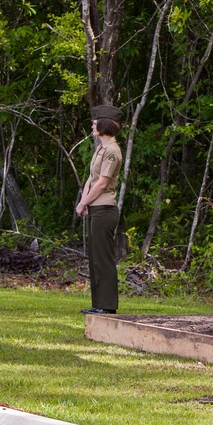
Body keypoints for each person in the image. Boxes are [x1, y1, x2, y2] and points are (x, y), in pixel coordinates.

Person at [75, 104, 123, 315]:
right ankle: (99, 304)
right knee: (95, 258)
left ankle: (107, 305)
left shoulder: (112, 151)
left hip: (105, 209)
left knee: (103, 259)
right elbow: (91, 178)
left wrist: (84, 202)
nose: (92, 125)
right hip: (95, 207)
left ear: (104, 124)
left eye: (95, 122)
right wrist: (84, 201)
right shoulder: (100, 149)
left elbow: (102, 184)